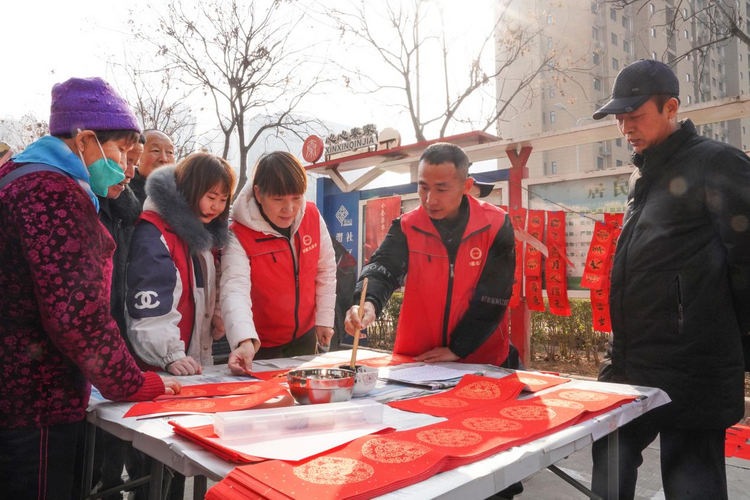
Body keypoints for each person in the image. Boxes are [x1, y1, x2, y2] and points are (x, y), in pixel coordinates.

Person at [0, 76, 179, 500]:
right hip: (33, 399)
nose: (125, 166)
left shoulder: (19, 178)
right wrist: (129, 382)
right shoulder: (51, 193)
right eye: (119, 152)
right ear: (84, 142)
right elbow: (75, 312)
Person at [589, 59, 750, 500]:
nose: (625, 128)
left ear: (671, 107)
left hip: (694, 367)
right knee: (608, 462)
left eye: (635, 116)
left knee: (690, 482)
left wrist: (743, 350)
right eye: (620, 119)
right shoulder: (644, 171)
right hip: (630, 362)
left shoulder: (718, 164)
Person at [344, 143, 516, 367]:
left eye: (441, 189)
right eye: (423, 187)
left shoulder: (495, 224)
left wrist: (458, 348)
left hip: (480, 356)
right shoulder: (408, 226)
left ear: (466, 185)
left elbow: (495, 296)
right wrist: (367, 303)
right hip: (418, 358)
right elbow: (381, 269)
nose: (429, 200)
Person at [221, 151, 336, 373]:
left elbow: (326, 270)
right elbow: (234, 290)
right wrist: (245, 341)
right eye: (279, 199)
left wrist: (324, 319)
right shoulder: (239, 234)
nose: (290, 208)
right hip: (260, 344)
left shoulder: (311, 215)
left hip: (305, 334)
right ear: (259, 194)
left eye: (296, 197)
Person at [125, 152, 233, 376]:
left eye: (223, 200)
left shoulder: (205, 231)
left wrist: (218, 313)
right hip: (161, 368)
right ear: (190, 189)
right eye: (211, 197)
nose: (217, 207)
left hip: (192, 360)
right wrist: (169, 355)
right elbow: (150, 302)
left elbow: (215, 281)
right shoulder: (155, 232)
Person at [94, 133, 145, 499]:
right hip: (89, 344)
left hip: (118, 332)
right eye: (123, 155)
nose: (128, 170)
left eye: (133, 160)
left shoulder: (127, 210)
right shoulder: (80, 203)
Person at [129, 129, 175, 206]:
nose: (164, 159)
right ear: (138, 155)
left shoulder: (183, 195)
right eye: (156, 151)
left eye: (170, 152)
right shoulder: (120, 190)